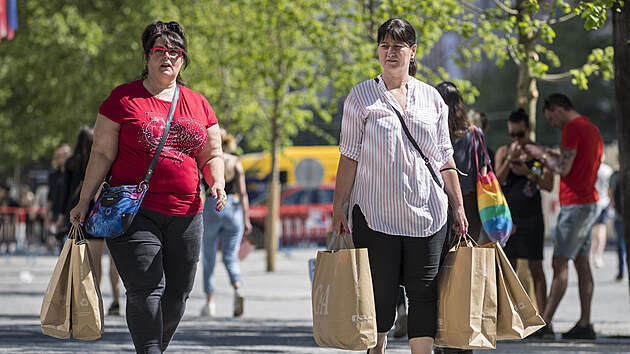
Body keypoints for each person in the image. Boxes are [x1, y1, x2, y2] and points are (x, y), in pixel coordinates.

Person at [68, 20, 226, 353]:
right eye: (159, 51)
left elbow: (212, 154)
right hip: (134, 211)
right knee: (146, 289)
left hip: (187, 213)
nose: (166, 58)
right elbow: (101, 152)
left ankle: (153, 348)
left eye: (174, 52)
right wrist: (84, 199)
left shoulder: (199, 103)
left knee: (178, 293)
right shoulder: (123, 99)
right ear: (147, 56)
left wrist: (218, 183)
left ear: (183, 59)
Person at [332, 18, 467, 354]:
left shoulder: (432, 98)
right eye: (384, 45)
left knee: (424, 295)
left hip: (428, 214)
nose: (390, 52)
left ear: (413, 51)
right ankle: (375, 350)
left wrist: (459, 207)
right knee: (381, 293)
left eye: (397, 46)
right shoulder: (361, 97)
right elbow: (348, 157)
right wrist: (339, 206)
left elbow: (445, 158)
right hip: (376, 214)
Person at [525, 93, 603, 340]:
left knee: (560, 263)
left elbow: (564, 168)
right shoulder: (591, 128)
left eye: (551, 118)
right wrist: (552, 152)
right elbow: (575, 162)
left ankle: (545, 322)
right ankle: (585, 323)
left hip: (575, 205)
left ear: (558, 110)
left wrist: (542, 154)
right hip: (589, 202)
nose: (553, 124)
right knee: (581, 263)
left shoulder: (571, 128)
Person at [494, 108, 553, 337]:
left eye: (519, 134)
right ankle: (510, 321)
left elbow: (548, 184)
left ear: (527, 130)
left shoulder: (539, 153)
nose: (515, 140)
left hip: (532, 217)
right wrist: (510, 160)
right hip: (508, 218)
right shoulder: (504, 151)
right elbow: (496, 182)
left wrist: (528, 172)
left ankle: (543, 320)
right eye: (512, 135)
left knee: (537, 267)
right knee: (510, 269)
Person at [58, 126, 122, 316]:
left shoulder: (72, 163)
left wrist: (62, 214)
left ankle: (96, 299)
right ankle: (117, 299)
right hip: (110, 212)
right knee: (114, 261)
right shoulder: (108, 158)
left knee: (93, 261)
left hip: (87, 214)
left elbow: (65, 192)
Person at [200, 130, 252, 318]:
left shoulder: (206, 159)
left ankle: (210, 303)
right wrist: (246, 218)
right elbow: (244, 193)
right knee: (231, 257)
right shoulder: (234, 161)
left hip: (212, 205)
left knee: (209, 258)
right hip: (234, 208)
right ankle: (238, 288)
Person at [435, 81, 488, 243]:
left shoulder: (433, 134)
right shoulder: (475, 133)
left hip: (441, 202)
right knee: (468, 254)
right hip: (471, 203)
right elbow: (483, 169)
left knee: (443, 259)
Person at [589, 159, 613, 268]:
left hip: (594, 202)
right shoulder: (607, 170)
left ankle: (591, 255)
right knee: (601, 229)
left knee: (593, 230)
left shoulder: (592, 169)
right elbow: (610, 189)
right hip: (604, 201)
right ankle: (598, 255)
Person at [46, 144, 72, 240]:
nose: (56, 159)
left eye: (59, 156)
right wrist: (47, 216)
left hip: (70, 212)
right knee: (61, 242)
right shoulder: (53, 175)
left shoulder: (74, 174)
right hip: (57, 212)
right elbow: (50, 196)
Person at [609, 170, 626, 281]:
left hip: (619, 215)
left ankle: (621, 271)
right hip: (620, 214)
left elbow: (610, 192)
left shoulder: (616, 176)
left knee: (620, 244)